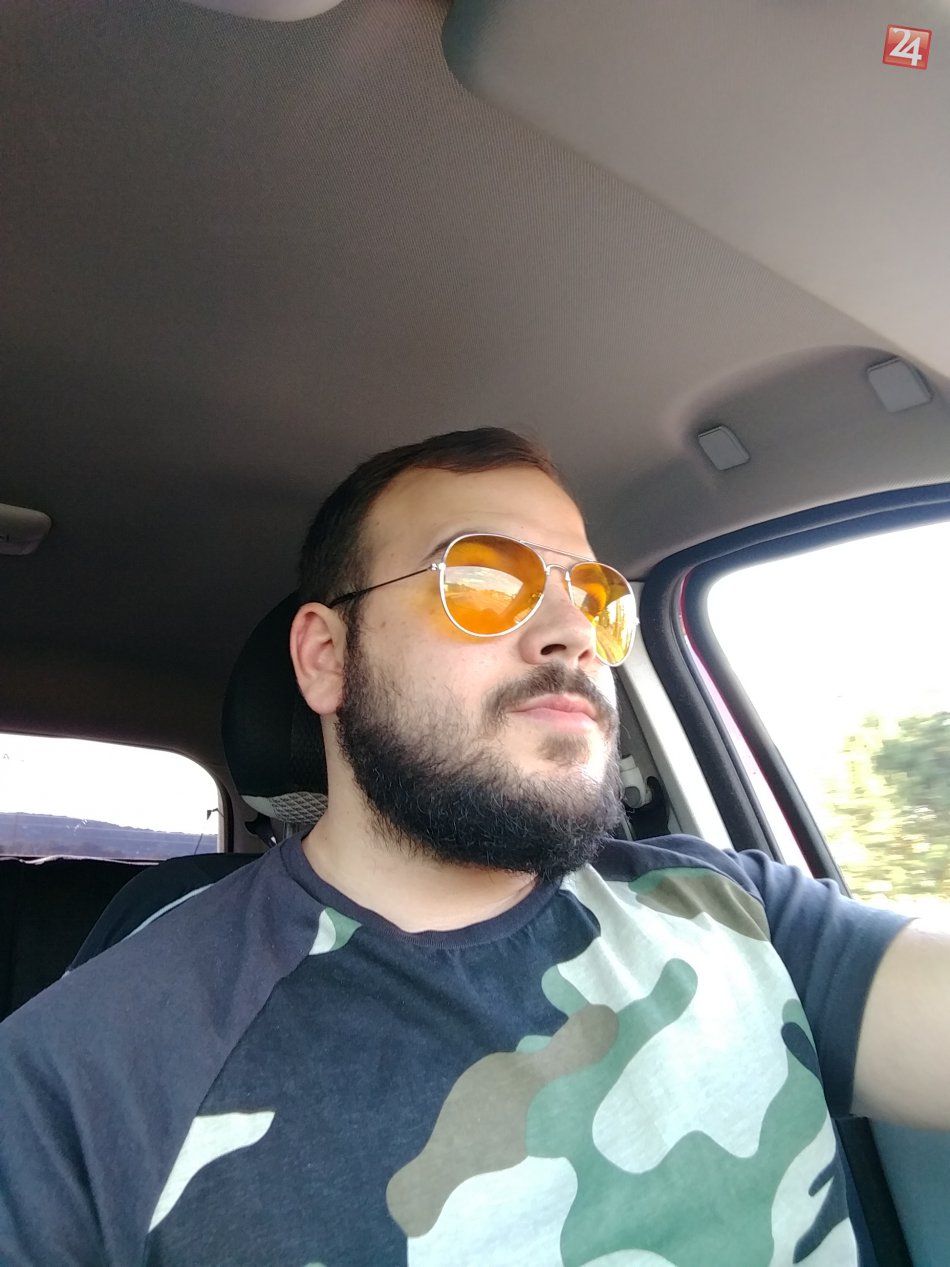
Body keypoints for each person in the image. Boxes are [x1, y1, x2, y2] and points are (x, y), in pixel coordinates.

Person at [0, 428, 947, 1267]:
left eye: (596, 598)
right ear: (326, 657)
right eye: (484, 581)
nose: (573, 634)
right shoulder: (88, 1069)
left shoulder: (730, 906)